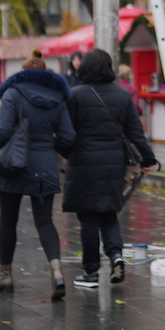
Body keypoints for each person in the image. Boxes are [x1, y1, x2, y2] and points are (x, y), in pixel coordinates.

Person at [60, 49, 158, 287]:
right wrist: (147, 160)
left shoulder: (74, 96)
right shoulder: (123, 96)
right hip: (113, 163)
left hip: (83, 163)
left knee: (88, 218)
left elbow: (66, 133)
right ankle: (116, 255)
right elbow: (136, 134)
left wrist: (66, 154)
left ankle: (91, 272)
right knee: (109, 212)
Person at [0, 54, 71, 301]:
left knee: (8, 220)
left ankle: (5, 276)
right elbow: (68, 137)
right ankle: (56, 271)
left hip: (14, 162)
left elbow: (3, 132)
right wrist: (48, 146)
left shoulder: (13, 94)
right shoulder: (58, 98)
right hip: (45, 164)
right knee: (45, 221)